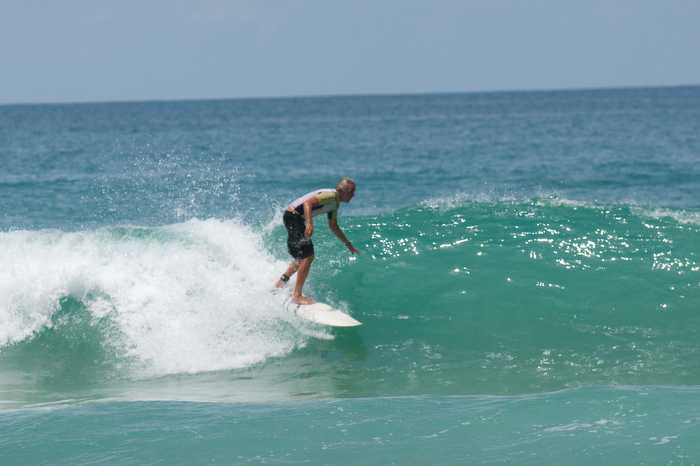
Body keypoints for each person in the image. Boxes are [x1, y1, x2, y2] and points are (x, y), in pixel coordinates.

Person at [276, 177, 359, 304]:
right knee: (308, 256)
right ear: (344, 191)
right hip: (294, 217)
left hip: (294, 218)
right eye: (352, 192)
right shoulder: (331, 195)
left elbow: (333, 225)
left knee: (302, 257)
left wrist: (348, 244)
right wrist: (309, 223)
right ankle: (297, 295)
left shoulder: (335, 203)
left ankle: (281, 282)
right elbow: (307, 203)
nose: (353, 195)